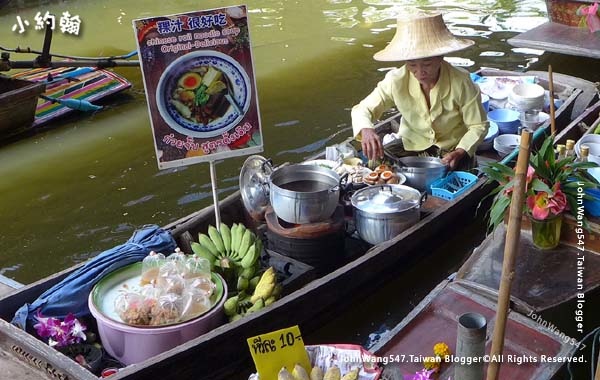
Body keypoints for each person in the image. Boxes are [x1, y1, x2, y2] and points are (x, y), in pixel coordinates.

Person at [351, 11, 488, 170]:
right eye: (412, 64)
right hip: (412, 144)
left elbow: (478, 125)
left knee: (453, 173)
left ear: (440, 57)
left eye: (427, 63)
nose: (419, 72)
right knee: (376, 163)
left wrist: (460, 151)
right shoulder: (396, 80)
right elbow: (362, 109)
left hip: (452, 149)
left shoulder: (461, 82)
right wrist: (366, 129)